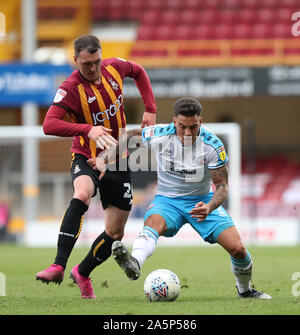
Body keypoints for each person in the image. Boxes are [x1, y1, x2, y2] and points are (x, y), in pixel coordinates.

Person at [97, 97, 272, 299]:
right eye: (182, 127)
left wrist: (210, 206)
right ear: (174, 122)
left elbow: (222, 186)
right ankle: (134, 263)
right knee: (154, 223)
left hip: (202, 201)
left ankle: (245, 291)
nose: (188, 133)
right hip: (167, 200)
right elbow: (130, 135)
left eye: (193, 127)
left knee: (238, 248)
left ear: (201, 122)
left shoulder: (213, 145)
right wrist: (104, 158)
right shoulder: (160, 134)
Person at [36, 34, 157, 299]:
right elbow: (49, 124)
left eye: (96, 61)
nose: (92, 68)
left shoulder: (114, 67)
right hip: (85, 156)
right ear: (75, 60)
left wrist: (150, 108)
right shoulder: (69, 88)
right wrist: (87, 129)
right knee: (82, 193)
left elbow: (138, 71)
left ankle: (82, 272)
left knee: (115, 232)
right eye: (86, 64)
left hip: (117, 158)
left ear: (102, 56)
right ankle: (58, 264)